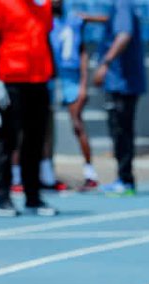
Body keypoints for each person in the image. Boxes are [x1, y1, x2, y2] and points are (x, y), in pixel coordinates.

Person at [0, 0, 57, 216]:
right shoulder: (0, 2)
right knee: (8, 140)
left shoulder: (43, 4)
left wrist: (53, 74)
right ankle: (3, 197)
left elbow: (45, 38)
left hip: (39, 80)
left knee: (35, 140)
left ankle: (33, 196)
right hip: (12, 80)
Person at [92, 0, 147, 196]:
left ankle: (125, 179)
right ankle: (124, 178)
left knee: (121, 130)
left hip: (123, 81)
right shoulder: (122, 5)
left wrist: (105, 63)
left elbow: (124, 35)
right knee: (121, 129)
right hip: (121, 81)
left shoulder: (122, 4)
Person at [50, 0, 100, 190]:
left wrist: (83, 84)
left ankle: (90, 172)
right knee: (44, 128)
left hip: (71, 78)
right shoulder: (44, 21)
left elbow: (82, 52)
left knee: (77, 124)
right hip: (51, 77)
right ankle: (46, 172)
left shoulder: (74, 20)